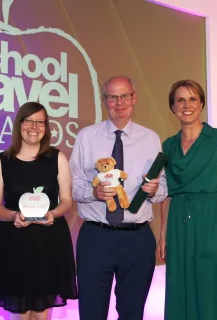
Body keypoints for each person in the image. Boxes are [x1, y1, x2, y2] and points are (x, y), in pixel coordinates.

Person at [70, 75, 168, 320]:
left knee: (132, 313)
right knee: (91, 312)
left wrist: (155, 189)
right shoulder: (86, 136)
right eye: (112, 97)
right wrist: (93, 193)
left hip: (137, 239)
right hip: (95, 238)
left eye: (124, 95)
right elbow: (73, 185)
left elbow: (163, 190)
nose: (119, 102)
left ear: (134, 98)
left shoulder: (151, 138)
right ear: (104, 101)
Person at [0, 102, 78, 320]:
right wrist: (12, 216)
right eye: (28, 121)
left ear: (46, 128)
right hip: (14, 244)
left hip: (49, 242)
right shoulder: (2, 160)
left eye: (40, 122)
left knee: (41, 313)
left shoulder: (57, 158)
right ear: (19, 124)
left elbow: (66, 200)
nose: (34, 127)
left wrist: (53, 214)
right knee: (19, 314)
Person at [158, 79, 217, 320]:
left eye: (192, 99)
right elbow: (166, 195)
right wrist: (163, 235)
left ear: (201, 103)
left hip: (210, 220)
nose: (187, 105)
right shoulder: (168, 145)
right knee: (180, 285)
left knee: (210, 285)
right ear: (172, 106)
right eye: (180, 100)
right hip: (178, 225)